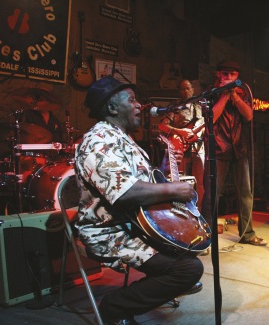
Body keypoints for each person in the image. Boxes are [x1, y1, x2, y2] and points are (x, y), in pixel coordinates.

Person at [74, 76, 204, 324]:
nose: (139, 106)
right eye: (131, 100)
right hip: (110, 232)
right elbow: (126, 193)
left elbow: (143, 183)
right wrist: (175, 191)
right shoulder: (98, 141)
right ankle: (114, 307)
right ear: (112, 108)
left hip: (134, 225)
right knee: (187, 269)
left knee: (190, 250)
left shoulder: (122, 138)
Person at [201, 59, 267, 246]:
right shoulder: (209, 92)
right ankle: (207, 238)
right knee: (211, 194)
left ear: (238, 76)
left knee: (246, 192)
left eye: (233, 74)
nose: (229, 77)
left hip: (240, 148)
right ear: (218, 74)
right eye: (225, 74)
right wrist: (223, 96)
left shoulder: (243, 91)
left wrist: (235, 97)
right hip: (218, 149)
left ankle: (247, 233)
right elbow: (210, 119)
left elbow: (249, 115)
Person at [158, 79, 205, 210]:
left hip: (199, 146)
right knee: (180, 178)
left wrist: (198, 133)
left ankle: (198, 210)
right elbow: (162, 125)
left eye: (188, 88)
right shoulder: (174, 107)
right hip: (180, 147)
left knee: (200, 182)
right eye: (182, 89)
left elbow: (205, 125)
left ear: (193, 90)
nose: (185, 91)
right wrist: (180, 132)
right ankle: (181, 209)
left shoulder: (200, 106)